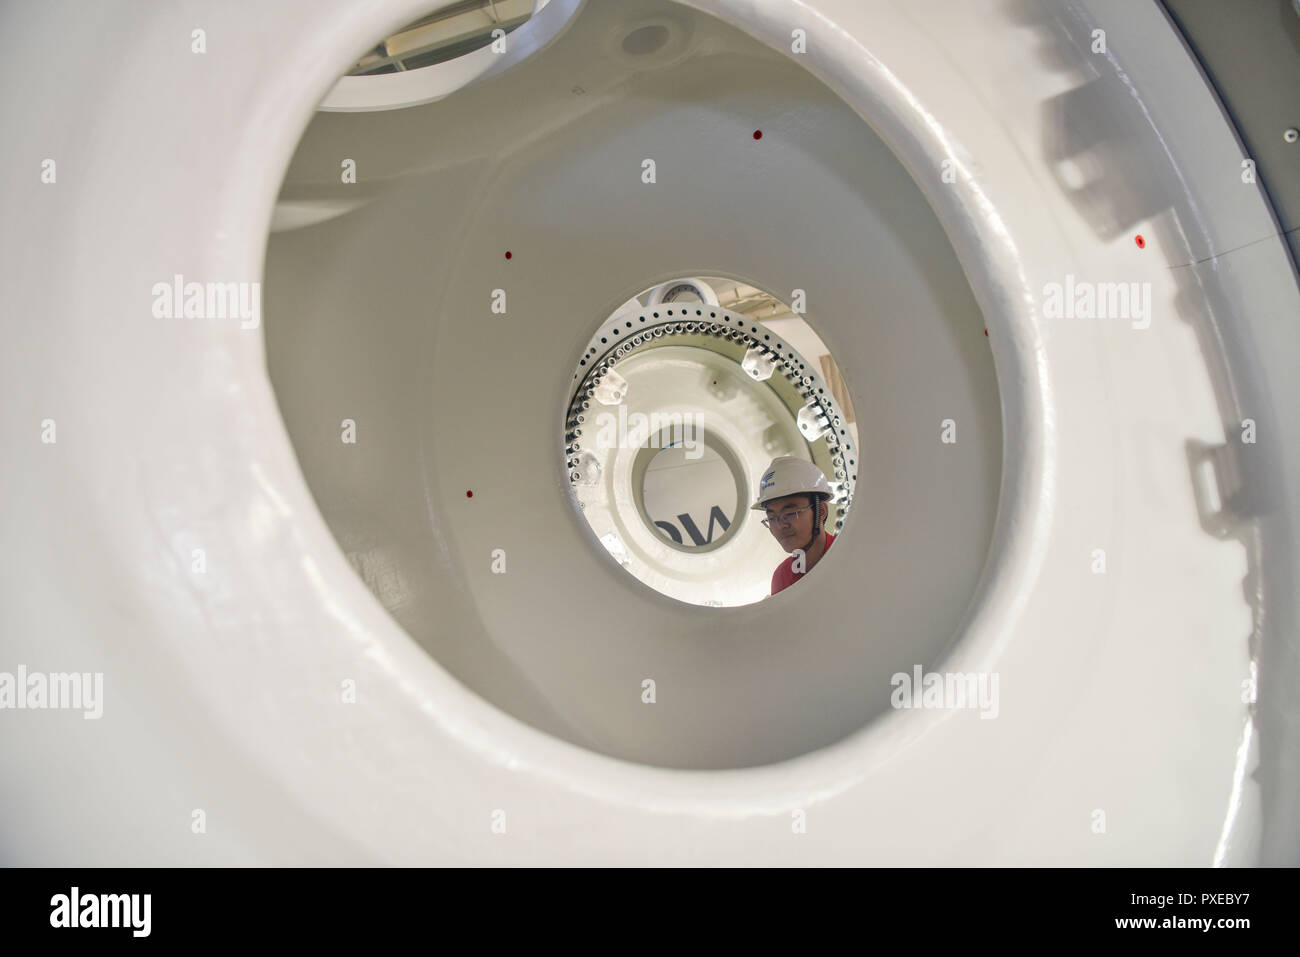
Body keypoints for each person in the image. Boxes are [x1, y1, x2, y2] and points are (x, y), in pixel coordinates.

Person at [752, 456, 836, 596]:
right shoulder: (782, 577)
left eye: (790, 513)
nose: (780, 526)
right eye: (771, 518)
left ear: (821, 511)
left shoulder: (848, 559)